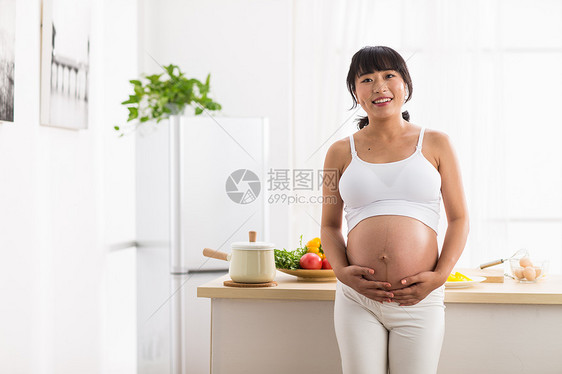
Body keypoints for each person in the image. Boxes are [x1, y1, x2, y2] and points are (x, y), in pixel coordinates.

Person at [321, 46, 469, 374]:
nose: (379, 86)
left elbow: (459, 219)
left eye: (389, 75)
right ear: (355, 92)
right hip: (357, 300)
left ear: (406, 84)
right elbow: (329, 227)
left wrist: (439, 276)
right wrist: (342, 273)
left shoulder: (436, 143)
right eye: (367, 79)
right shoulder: (338, 152)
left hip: (419, 299)